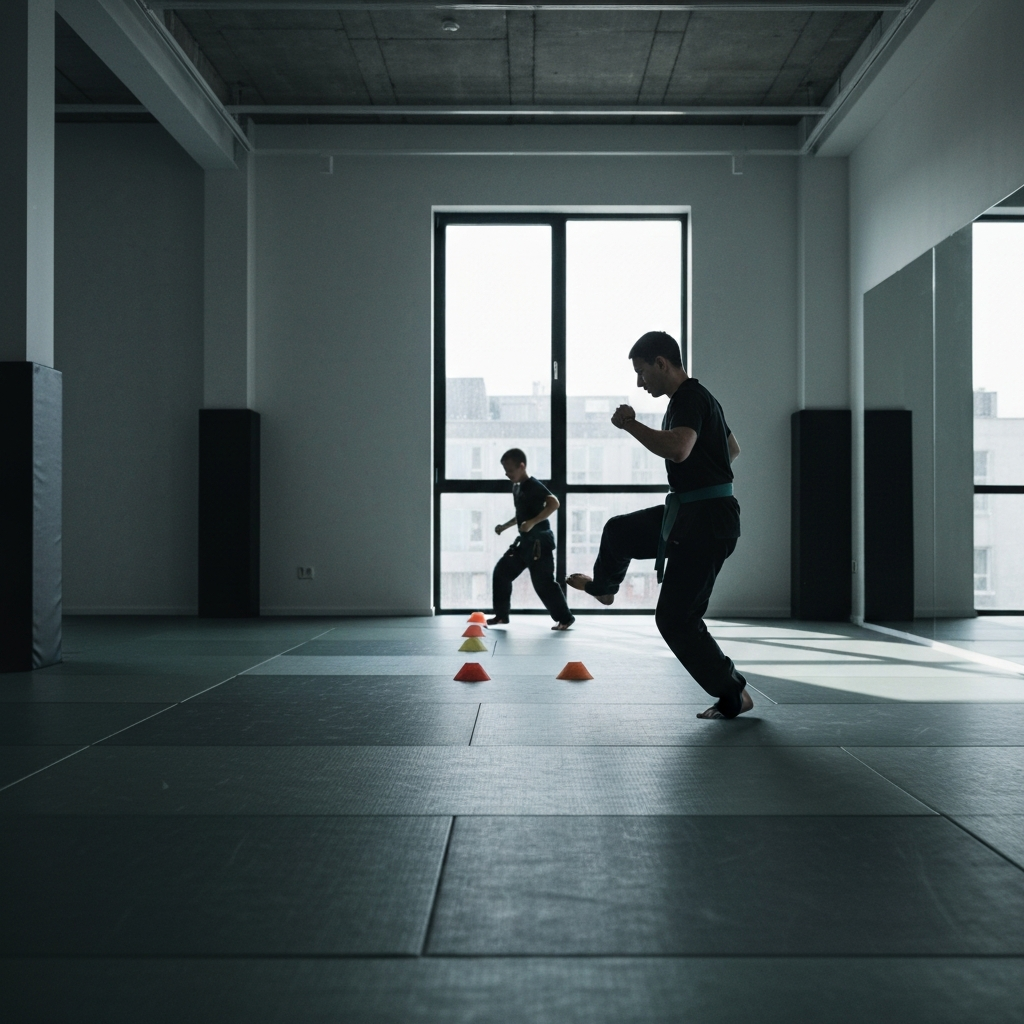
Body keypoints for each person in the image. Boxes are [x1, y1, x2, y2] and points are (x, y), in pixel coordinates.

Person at [566, 331, 751, 719]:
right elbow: (731, 449)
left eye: (642, 372)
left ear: (661, 363)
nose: (639, 382)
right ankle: (605, 589)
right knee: (619, 531)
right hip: (691, 514)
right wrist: (706, 477)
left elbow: (679, 448)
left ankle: (734, 693)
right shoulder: (700, 399)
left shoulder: (688, 398)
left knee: (675, 619)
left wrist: (630, 424)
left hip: (706, 523)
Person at [488, 448, 575, 631]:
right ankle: (501, 616)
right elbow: (522, 516)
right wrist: (504, 526)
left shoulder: (533, 485)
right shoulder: (517, 487)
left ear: (522, 466)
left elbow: (554, 503)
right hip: (525, 543)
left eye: (510, 470)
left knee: (543, 583)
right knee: (502, 573)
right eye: (505, 470)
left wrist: (533, 523)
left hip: (540, 544)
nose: (507, 474)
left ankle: (565, 619)